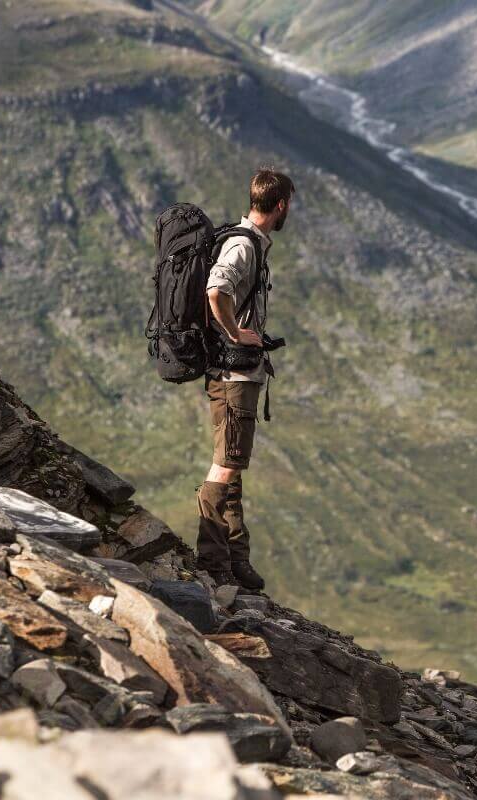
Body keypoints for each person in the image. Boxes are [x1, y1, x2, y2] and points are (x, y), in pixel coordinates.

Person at [195, 168, 294, 591]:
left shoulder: (250, 242)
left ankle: (236, 558)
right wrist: (236, 333)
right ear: (281, 205)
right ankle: (213, 559)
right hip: (235, 372)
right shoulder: (242, 245)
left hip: (239, 372)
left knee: (233, 465)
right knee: (225, 465)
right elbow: (216, 290)